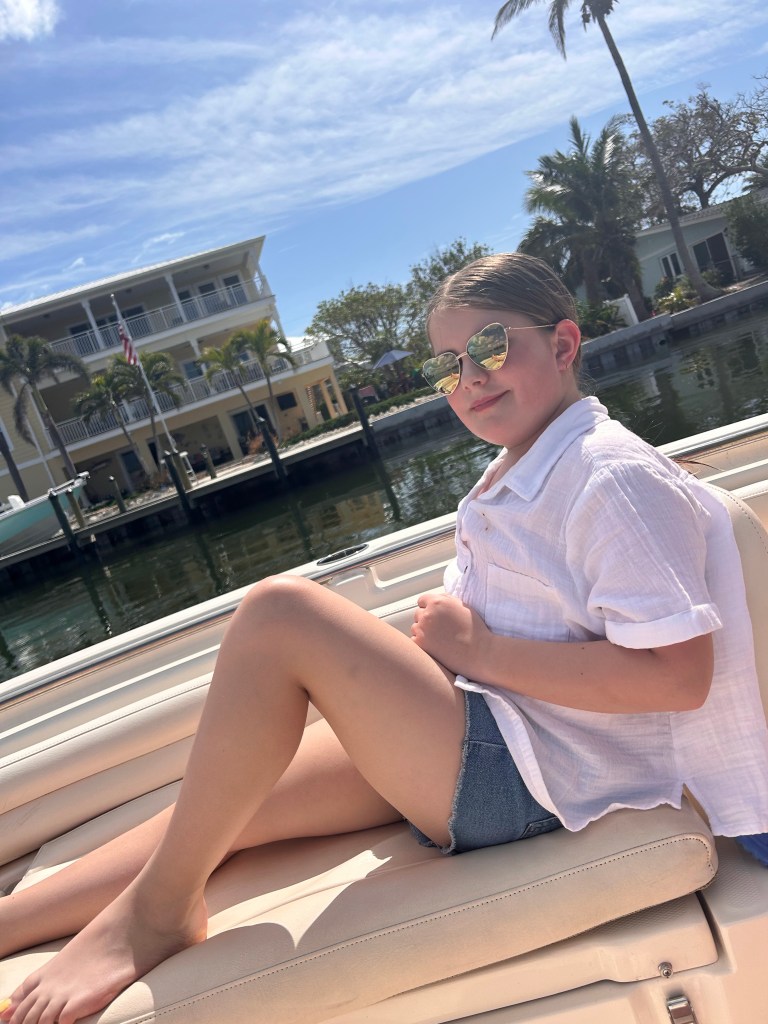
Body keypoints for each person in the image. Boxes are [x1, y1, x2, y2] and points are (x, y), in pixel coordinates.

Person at [2, 253, 768, 1024]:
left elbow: (676, 677)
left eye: (493, 346)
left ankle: (157, 914)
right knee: (222, 807)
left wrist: (481, 651)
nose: (470, 377)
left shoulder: (607, 475)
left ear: (564, 344)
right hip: (496, 725)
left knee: (279, 614)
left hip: (544, 778)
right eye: (449, 365)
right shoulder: (535, 467)